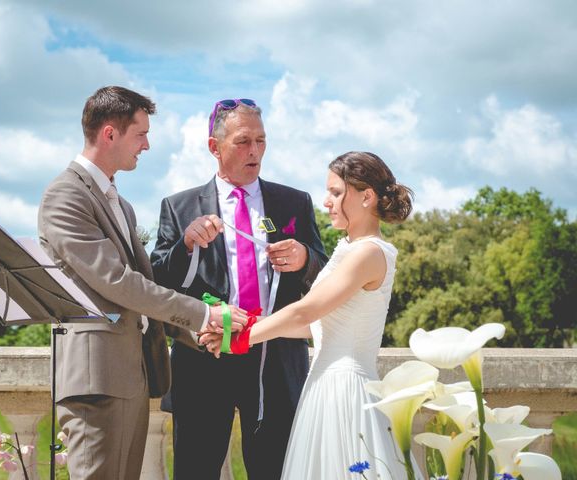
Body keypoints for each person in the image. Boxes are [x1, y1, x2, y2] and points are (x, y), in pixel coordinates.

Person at [38, 86, 246, 480]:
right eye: (141, 133)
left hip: (129, 377)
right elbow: (117, 282)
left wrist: (195, 333)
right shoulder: (64, 195)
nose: (147, 145)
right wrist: (203, 314)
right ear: (110, 134)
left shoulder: (120, 202)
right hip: (96, 380)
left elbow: (139, 290)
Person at [202, 151, 424, 479]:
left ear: (367, 197)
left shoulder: (369, 253)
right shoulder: (350, 249)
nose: (326, 202)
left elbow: (306, 309)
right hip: (324, 386)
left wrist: (242, 337)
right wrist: (238, 327)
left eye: (336, 192)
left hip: (346, 390)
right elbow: (311, 324)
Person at [151, 98, 328, 479]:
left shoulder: (293, 202)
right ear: (214, 147)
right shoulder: (179, 206)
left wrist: (304, 258)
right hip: (204, 360)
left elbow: (327, 277)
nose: (255, 152)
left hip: (275, 361)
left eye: (261, 141)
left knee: (277, 472)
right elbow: (157, 281)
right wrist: (185, 245)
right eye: (243, 142)